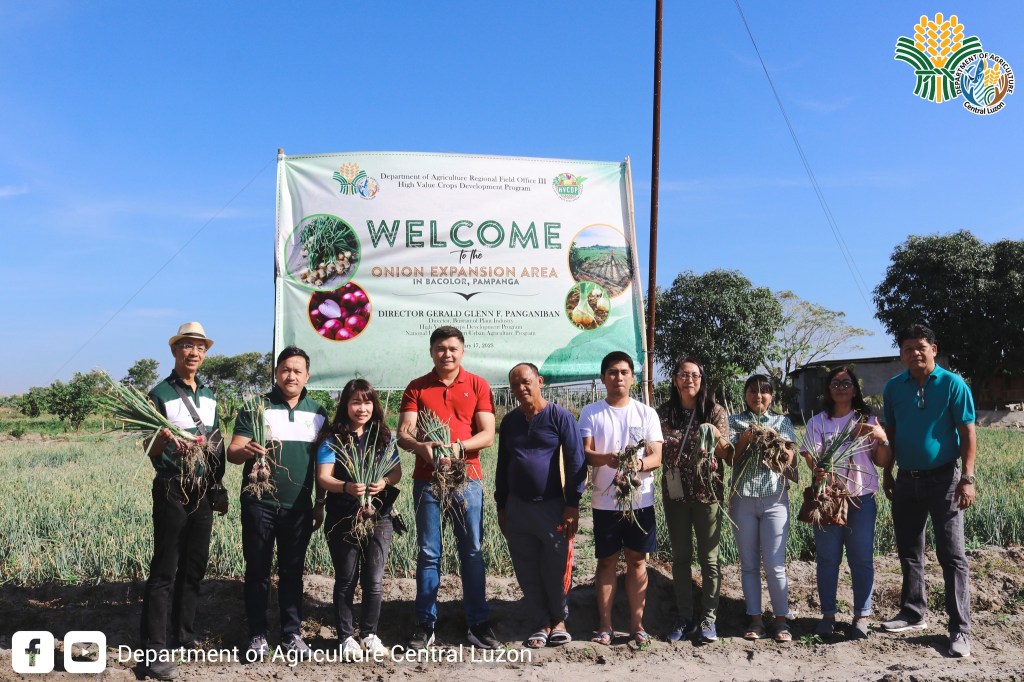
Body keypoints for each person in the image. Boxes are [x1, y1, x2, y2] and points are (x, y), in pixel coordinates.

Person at [396, 326, 499, 649]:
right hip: (427, 480)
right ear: (431, 352)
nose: (447, 354)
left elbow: (487, 434)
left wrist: (459, 448)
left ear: (462, 352)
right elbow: (404, 433)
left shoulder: (478, 385)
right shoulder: (417, 388)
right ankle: (425, 624)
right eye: (440, 348)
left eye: (453, 348)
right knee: (428, 553)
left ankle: (478, 623)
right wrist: (422, 447)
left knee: (471, 551)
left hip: (466, 477)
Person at [880, 324, 976, 658]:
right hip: (906, 478)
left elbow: (967, 431)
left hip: (944, 480)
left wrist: (968, 477)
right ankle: (912, 612)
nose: (915, 353)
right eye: (908, 348)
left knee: (952, 555)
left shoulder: (952, 384)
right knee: (909, 550)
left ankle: (960, 629)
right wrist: (888, 473)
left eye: (921, 347)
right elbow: (889, 433)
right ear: (901, 354)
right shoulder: (894, 388)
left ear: (934, 348)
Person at [140, 322, 227, 681]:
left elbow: (218, 441)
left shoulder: (209, 395)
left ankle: (184, 635)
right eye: (187, 346)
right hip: (172, 487)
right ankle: (152, 649)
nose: (193, 353)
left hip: (203, 489)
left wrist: (218, 483)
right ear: (175, 352)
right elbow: (148, 448)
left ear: (204, 354)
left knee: (194, 567)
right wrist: (162, 438)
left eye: (199, 347)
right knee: (164, 570)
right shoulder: (158, 393)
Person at [227, 346, 328, 658]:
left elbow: (324, 463)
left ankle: (290, 634)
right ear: (276, 373)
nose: (291, 375)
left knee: (292, 573)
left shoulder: (318, 412)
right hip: (259, 503)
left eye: (298, 370)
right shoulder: (257, 407)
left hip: (298, 506)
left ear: (307, 375)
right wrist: (248, 450)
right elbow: (233, 453)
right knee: (257, 570)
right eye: (285, 369)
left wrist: (319, 502)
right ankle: (257, 634)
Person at [495, 363, 586, 649]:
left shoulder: (560, 418)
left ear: (540, 381)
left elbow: (576, 462)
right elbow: (502, 466)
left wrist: (572, 504)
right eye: (514, 385)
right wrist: (502, 506)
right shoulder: (510, 422)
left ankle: (559, 620)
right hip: (518, 507)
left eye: (526, 382)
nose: (521, 389)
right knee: (526, 566)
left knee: (555, 565)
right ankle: (541, 621)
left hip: (553, 507)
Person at [800, 366, 891, 639]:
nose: (841, 387)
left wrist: (882, 438)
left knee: (861, 559)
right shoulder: (818, 423)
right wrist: (818, 469)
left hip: (861, 498)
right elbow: (811, 460)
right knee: (827, 560)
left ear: (854, 388)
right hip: (828, 499)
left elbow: (882, 460)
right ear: (828, 389)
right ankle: (828, 614)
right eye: (836, 383)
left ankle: (861, 615)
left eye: (846, 383)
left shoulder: (867, 420)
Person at [579, 351, 663, 646]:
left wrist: (635, 466)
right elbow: (586, 453)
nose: (618, 377)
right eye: (612, 372)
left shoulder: (646, 413)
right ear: (603, 378)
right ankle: (605, 625)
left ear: (633, 378)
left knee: (637, 561)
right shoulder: (591, 412)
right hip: (605, 502)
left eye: (624, 372)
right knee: (606, 562)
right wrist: (608, 460)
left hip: (640, 500)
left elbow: (656, 457)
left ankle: (637, 625)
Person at [315, 379, 402, 659]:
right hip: (343, 515)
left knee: (374, 580)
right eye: (355, 402)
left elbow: (397, 472)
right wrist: (346, 487)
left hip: (379, 515)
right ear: (346, 406)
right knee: (346, 578)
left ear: (373, 405)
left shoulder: (383, 436)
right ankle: (345, 637)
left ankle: (369, 634)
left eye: (366, 402)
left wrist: (384, 482)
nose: (361, 408)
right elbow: (323, 477)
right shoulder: (333, 438)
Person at [656, 356, 731, 643]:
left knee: (709, 559)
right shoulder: (663, 413)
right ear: (675, 380)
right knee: (680, 558)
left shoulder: (715, 412)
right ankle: (685, 616)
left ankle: (709, 618)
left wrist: (717, 437)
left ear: (702, 380)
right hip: (675, 495)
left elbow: (727, 454)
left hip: (707, 494)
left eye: (695, 375)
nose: (689, 380)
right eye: (683, 375)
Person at [727, 374, 797, 643]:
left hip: (774, 499)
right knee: (749, 564)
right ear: (745, 395)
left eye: (765, 392)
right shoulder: (735, 422)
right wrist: (746, 436)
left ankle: (781, 620)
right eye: (753, 391)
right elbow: (731, 458)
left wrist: (777, 442)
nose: (759, 396)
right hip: (742, 499)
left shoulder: (783, 422)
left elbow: (790, 458)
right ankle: (755, 620)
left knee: (775, 564)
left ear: (772, 396)